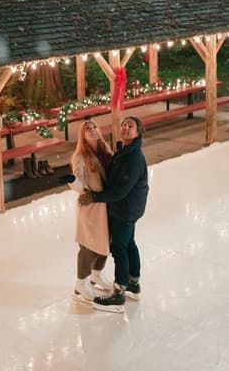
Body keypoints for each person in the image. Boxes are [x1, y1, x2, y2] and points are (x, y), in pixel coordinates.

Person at [78, 116, 149, 313]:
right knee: (129, 244)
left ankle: (119, 293)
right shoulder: (125, 151)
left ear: (138, 132)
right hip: (128, 207)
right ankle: (133, 283)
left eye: (130, 126)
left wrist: (94, 197)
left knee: (119, 248)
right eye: (123, 125)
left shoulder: (133, 158)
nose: (125, 128)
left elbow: (120, 191)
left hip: (125, 209)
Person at [68, 120, 116, 302]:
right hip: (91, 207)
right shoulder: (80, 156)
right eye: (88, 129)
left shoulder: (105, 150)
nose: (93, 130)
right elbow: (80, 185)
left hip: (107, 204)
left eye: (95, 127)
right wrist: (72, 180)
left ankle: (96, 274)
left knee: (105, 243)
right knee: (88, 245)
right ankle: (81, 282)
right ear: (83, 136)